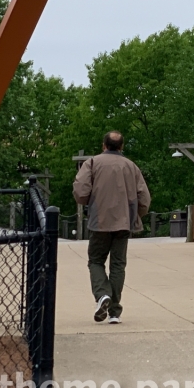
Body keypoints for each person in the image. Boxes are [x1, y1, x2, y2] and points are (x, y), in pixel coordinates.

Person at [73, 132, 150, 325]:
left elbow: (80, 191)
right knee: (118, 265)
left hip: (99, 220)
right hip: (124, 222)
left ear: (103, 145)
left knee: (96, 261)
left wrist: (87, 202)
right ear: (122, 146)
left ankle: (102, 295)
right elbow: (144, 197)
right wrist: (136, 215)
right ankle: (114, 311)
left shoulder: (92, 163)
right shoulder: (131, 167)